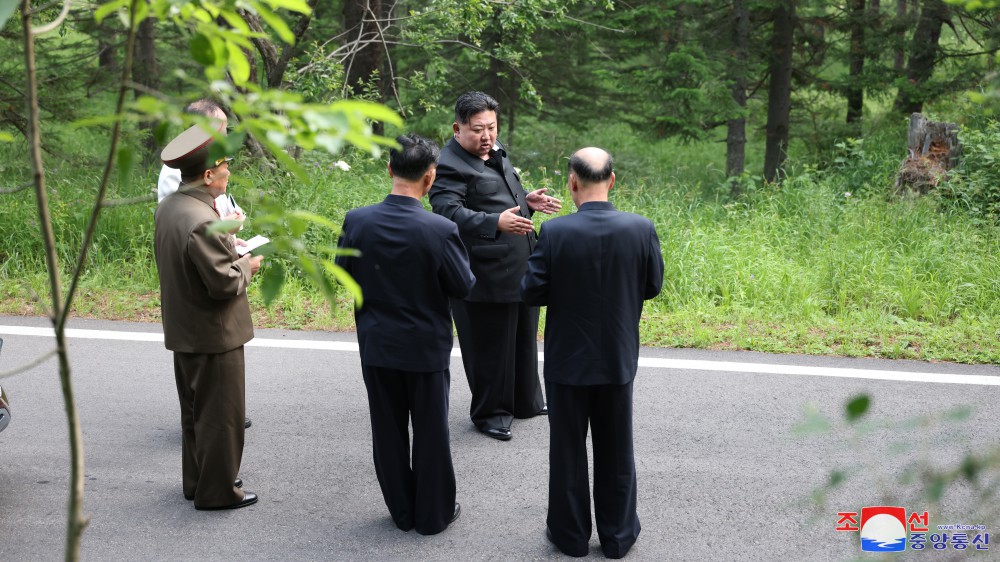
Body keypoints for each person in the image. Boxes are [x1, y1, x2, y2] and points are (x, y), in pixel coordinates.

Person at [521, 147, 664, 559]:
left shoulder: (556, 232)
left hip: (568, 360)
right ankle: (618, 537)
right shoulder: (640, 228)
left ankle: (570, 537)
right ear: (613, 180)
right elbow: (652, 285)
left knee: (567, 450)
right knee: (617, 448)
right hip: (618, 356)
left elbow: (531, 292)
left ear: (572, 182)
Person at [336, 134, 475, 534]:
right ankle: (433, 515)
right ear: (430, 178)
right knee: (431, 432)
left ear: (389, 169)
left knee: (388, 429)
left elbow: (345, 276)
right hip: (425, 346)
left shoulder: (356, 220)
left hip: (377, 343)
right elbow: (463, 285)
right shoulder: (440, 229)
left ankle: (401, 510)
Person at [429, 91, 561, 441]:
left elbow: (501, 196)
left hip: (517, 264)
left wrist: (527, 202)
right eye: (477, 129)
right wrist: (494, 223)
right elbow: (446, 212)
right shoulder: (448, 164)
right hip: (482, 272)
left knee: (521, 337)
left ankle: (525, 401)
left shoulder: (495, 150)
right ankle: (490, 413)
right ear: (457, 128)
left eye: (492, 126)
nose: (487, 136)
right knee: (490, 346)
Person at [154, 121, 264, 510]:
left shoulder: (172, 206)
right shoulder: (201, 219)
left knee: (194, 414)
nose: (228, 172)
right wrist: (247, 265)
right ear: (207, 174)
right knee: (222, 418)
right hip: (214, 333)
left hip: (185, 328)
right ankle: (217, 492)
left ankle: (197, 481)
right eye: (224, 167)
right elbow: (221, 282)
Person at [158, 98, 252, 430]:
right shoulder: (182, 174)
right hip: (204, 319)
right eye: (220, 129)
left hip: (195, 301)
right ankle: (219, 483)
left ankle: (201, 482)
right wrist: (246, 265)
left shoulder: (199, 163)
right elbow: (196, 229)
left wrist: (229, 234)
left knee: (207, 412)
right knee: (215, 422)